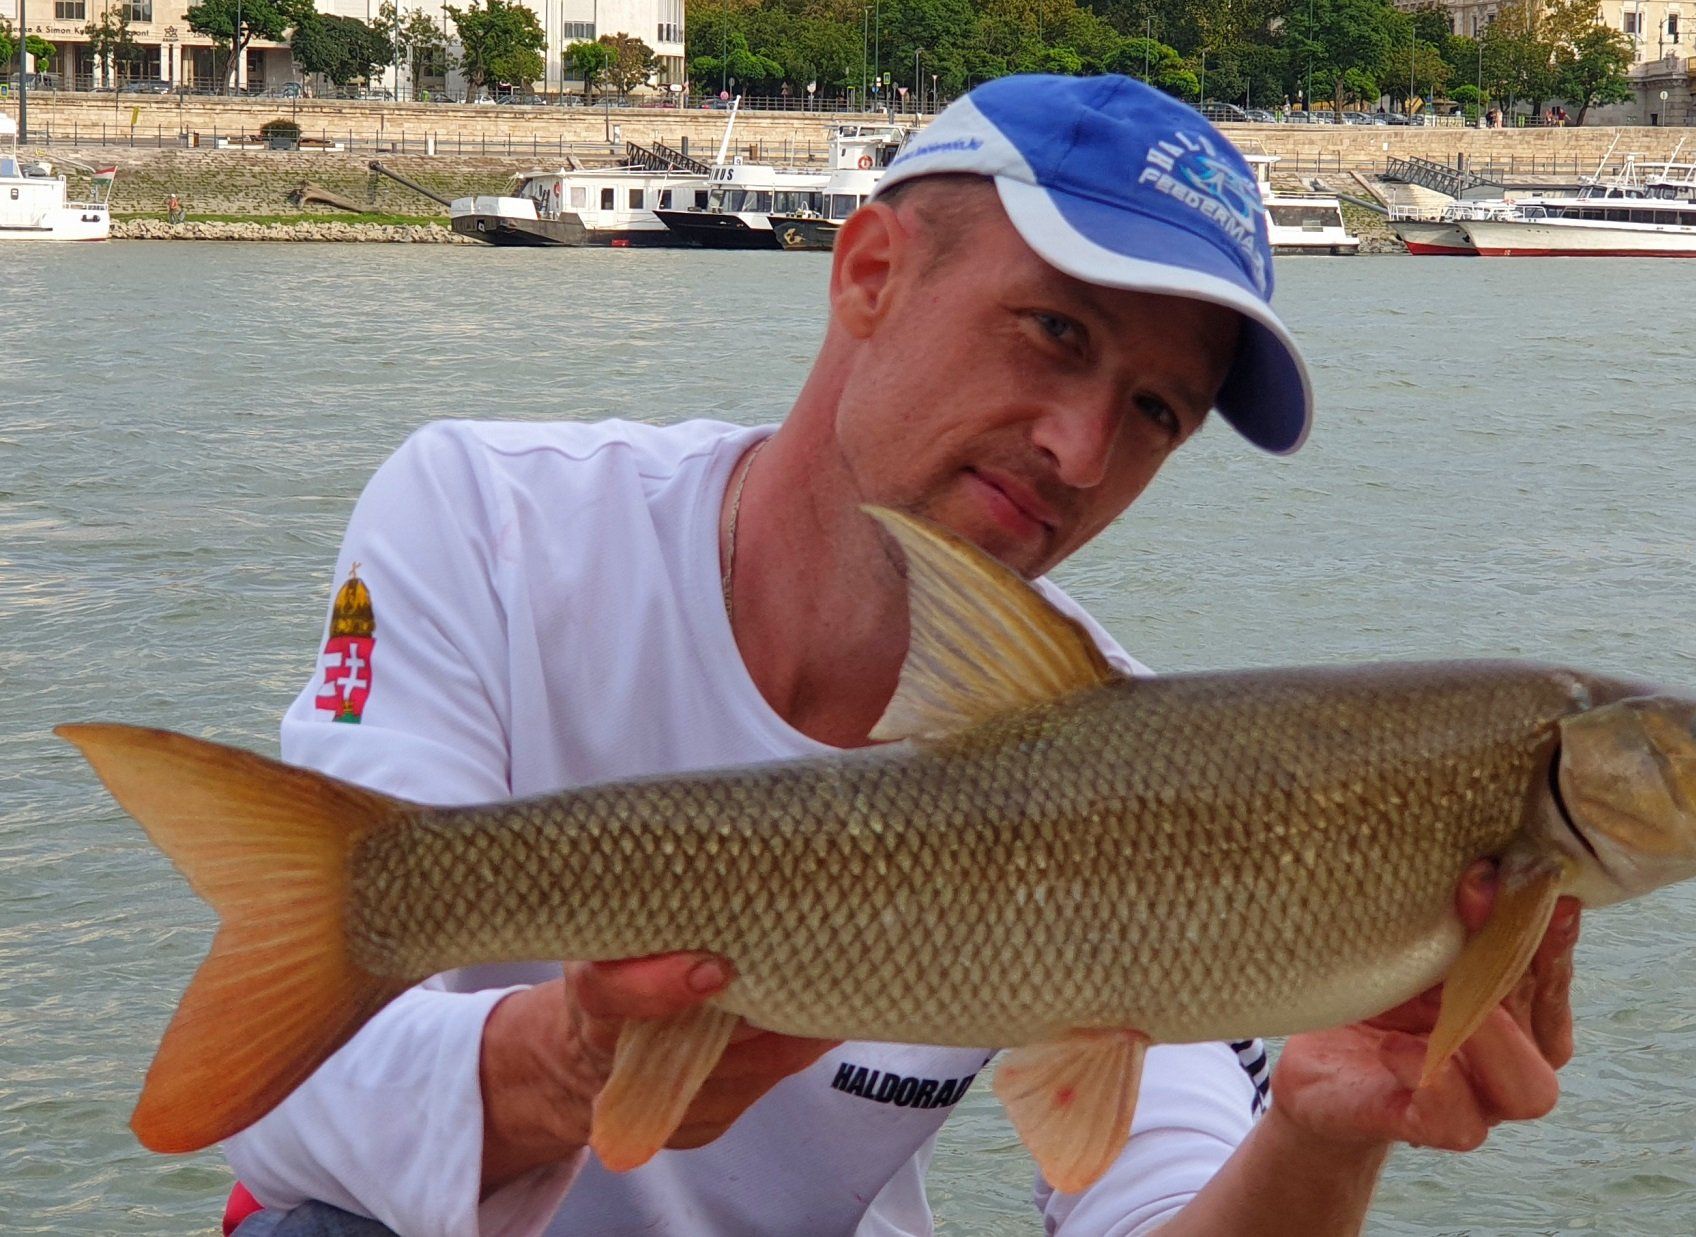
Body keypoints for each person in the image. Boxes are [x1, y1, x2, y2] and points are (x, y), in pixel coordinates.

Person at [224, 74, 1579, 1237]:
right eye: (1056, 332)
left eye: (1156, 410)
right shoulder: (493, 517)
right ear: (869, 272)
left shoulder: (1148, 763)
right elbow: (282, 1114)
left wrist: (1327, 1133)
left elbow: (1150, 1200)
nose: (1080, 450)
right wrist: (569, 1058)